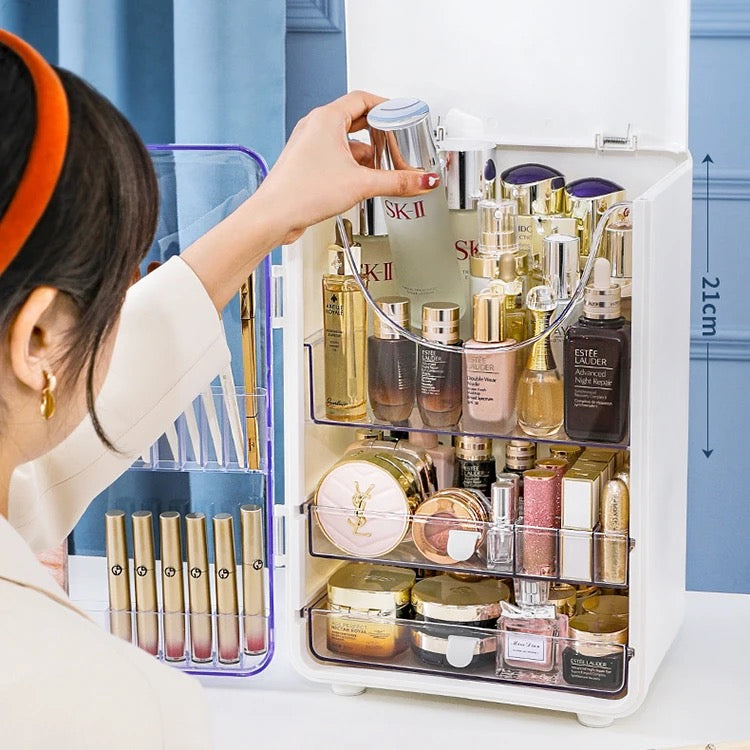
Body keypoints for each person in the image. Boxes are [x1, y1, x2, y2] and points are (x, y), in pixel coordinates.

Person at [0, 30, 438, 748]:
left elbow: (46, 452)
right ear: (39, 339)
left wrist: (270, 216)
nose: (126, 308)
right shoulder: (109, 710)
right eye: (119, 289)